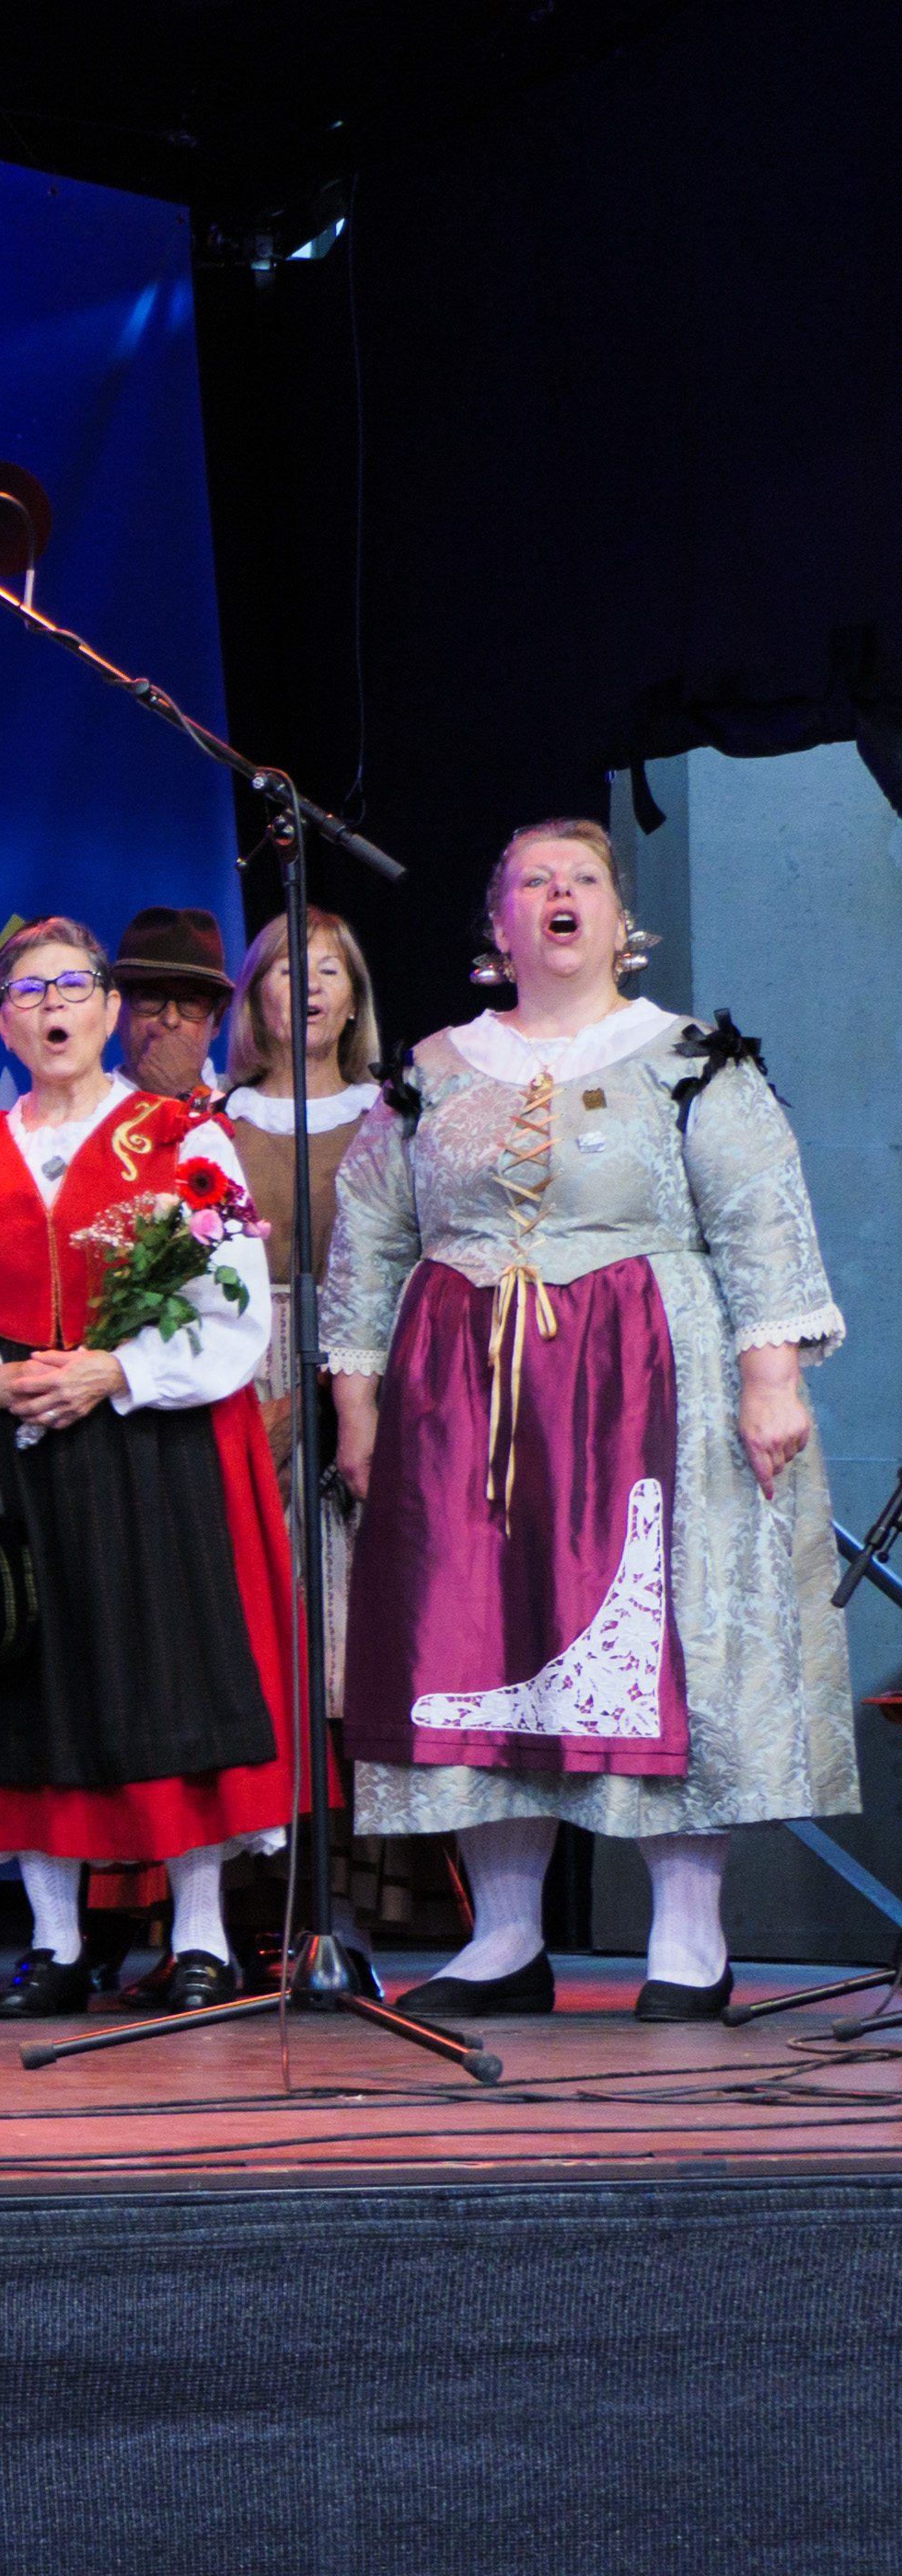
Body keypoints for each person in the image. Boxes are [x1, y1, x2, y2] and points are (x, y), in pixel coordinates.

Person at [328, 821, 849, 2020]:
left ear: (622, 921)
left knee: (666, 1635)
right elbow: (368, 1237)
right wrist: (358, 1400)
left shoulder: (688, 1060)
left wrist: (772, 1373)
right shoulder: (433, 1071)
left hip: (650, 1377)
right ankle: (506, 1938)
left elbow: (760, 1216)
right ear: (498, 925)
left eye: (584, 879)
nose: (560, 894)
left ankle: (688, 1937)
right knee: (477, 1642)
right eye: (533, 881)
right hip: (463, 1399)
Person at [0, 918, 298, 2019]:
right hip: (17, 1451)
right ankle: (56, 1942)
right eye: (28, 991)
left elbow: (232, 1308)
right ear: (2, 1022)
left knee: (171, 1677)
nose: (53, 1006)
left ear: (112, 1009)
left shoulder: (184, 1137)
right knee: (31, 1685)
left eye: (73, 985)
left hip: (149, 1443)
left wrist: (118, 1369)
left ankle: (202, 1934)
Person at [221, 906, 412, 1958]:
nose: (311, 986)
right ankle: (249, 1901)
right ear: (257, 995)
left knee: (347, 1637)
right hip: (239, 1374)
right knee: (258, 1635)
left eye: (330, 969)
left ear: (354, 996)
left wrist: (349, 1397)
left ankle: (345, 1899)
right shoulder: (215, 1118)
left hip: (360, 1375)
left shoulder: (389, 1113)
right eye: (291, 968)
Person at [110, 906, 233, 1104]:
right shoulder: (90, 1112)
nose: (170, 1019)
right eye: (150, 998)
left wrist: (188, 1090)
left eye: (190, 1001)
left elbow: (223, 1124)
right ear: (115, 1012)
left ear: (217, 1019)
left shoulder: (245, 1108)